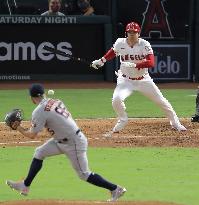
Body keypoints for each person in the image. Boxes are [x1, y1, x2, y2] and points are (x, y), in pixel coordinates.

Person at [6, 83, 126, 202]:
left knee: (84, 174)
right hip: (62, 140)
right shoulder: (56, 101)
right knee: (39, 152)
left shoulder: (39, 111)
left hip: (73, 143)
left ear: (32, 98)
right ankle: (25, 185)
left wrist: (19, 128)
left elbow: (32, 135)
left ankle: (116, 189)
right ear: (44, 93)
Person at [91, 21, 187, 136]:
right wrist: (101, 61)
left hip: (143, 80)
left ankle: (175, 123)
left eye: (134, 32)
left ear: (138, 33)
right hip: (126, 80)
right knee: (116, 100)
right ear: (126, 33)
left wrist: (135, 65)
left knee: (161, 101)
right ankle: (123, 119)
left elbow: (151, 63)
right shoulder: (120, 42)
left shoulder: (144, 44)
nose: (132, 34)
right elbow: (113, 52)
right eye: (130, 32)